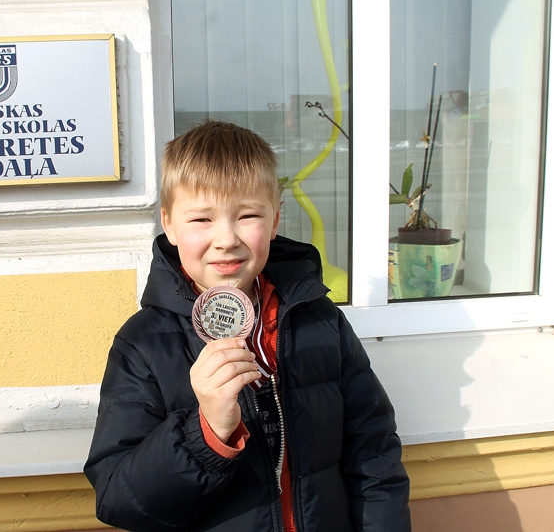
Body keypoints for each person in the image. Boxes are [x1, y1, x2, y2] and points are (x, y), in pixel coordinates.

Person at [84, 121, 411, 531]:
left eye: (248, 215)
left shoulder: (320, 321)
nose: (226, 239)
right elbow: (119, 501)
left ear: (275, 219)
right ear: (168, 224)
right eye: (202, 219)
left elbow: (374, 454)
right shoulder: (143, 346)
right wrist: (207, 433)